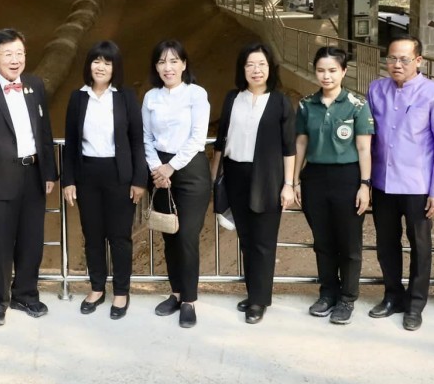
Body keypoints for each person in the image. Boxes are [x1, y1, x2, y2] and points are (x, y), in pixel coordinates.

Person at [0, 28, 58, 327]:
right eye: (8, 54)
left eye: (20, 53)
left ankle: (25, 294)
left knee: (32, 241)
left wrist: (49, 171)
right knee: (0, 245)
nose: (15, 60)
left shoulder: (35, 84)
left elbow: (44, 131)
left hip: (33, 175)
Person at [366, 35, 434, 332]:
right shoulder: (376, 89)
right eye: (392, 58)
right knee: (386, 244)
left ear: (419, 60)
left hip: (418, 185)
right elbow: (369, 138)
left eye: (404, 59)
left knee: (420, 246)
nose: (397, 64)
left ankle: (415, 304)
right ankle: (392, 296)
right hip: (383, 183)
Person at [211, 42, 296, 324]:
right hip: (235, 174)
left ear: (270, 68)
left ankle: (259, 301)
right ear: (242, 69)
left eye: (261, 64)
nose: (256, 70)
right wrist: (214, 176)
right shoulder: (232, 98)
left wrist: (288, 184)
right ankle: (253, 293)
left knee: (263, 241)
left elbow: (289, 148)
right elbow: (221, 141)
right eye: (250, 65)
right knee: (247, 239)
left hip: (267, 177)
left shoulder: (280, 101)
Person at [62, 41, 147, 319]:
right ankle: (97, 288)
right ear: (89, 65)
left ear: (115, 68)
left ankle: (121, 292)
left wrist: (139, 180)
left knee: (120, 236)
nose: (100, 67)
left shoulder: (125, 97)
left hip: (119, 175)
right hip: (87, 175)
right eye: (96, 61)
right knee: (93, 235)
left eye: (107, 63)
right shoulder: (78, 97)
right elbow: (71, 142)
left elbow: (137, 141)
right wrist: (68, 180)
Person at [292, 46, 374, 325]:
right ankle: (327, 293)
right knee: (323, 241)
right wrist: (295, 180)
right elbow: (301, 143)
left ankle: (347, 298)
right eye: (320, 70)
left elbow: (364, 148)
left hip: (348, 178)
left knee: (349, 243)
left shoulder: (357, 105)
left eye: (332, 70)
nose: (326, 76)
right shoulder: (306, 105)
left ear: (344, 71)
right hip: (314, 178)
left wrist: (365, 185)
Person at [142, 38, 210, 328]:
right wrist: (157, 168)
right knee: (169, 234)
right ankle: (176, 293)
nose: (167, 67)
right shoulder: (151, 97)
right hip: (160, 171)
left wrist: (171, 167)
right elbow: (146, 137)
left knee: (187, 237)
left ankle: (189, 300)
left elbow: (197, 137)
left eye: (173, 61)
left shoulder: (196, 94)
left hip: (190, 170)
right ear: (156, 67)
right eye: (161, 62)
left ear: (183, 64)